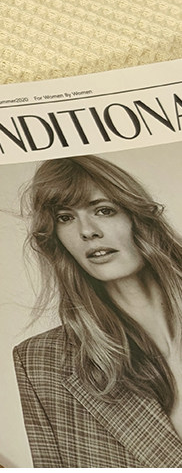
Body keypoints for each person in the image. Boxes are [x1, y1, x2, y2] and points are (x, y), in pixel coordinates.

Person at [13, 154, 182, 467]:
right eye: (65, 218)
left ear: (137, 217)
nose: (87, 231)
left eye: (103, 210)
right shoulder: (41, 362)